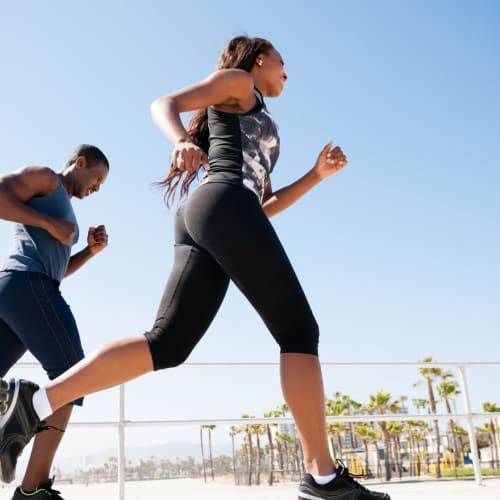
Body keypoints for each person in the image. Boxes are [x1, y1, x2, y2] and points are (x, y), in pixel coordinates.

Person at [0, 37, 390, 500]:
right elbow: (164, 103)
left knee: (168, 344)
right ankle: (323, 477)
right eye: (283, 61)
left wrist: (315, 176)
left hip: (217, 212)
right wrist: (183, 140)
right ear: (259, 58)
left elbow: (262, 206)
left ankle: (33, 404)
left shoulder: (258, 116)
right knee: (299, 332)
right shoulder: (239, 82)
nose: (287, 72)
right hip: (221, 203)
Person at [0, 144, 109, 499]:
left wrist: (88, 253)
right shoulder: (47, 179)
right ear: (79, 163)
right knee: (73, 377)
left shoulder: (64, 208)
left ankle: (10, 420)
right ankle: (32, 490)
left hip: (20, 290)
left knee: (69, 379)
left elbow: (57, 271)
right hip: (27, 284)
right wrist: (49, 223)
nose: (97, 188)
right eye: (97, 178)